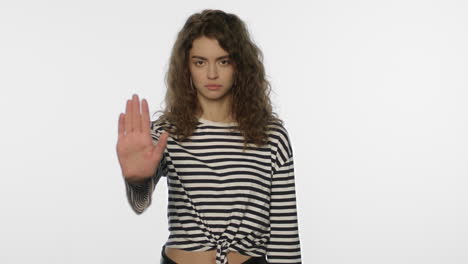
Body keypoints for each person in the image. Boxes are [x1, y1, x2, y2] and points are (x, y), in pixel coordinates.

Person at [116, 9, 302, 264]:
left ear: (240, 65)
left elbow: (285, 236)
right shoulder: (165, 132)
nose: (211, 74)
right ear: (187, 67)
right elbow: (139, 204)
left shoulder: (271, 136)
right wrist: (137, 179)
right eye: (200, 62)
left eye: (223, 61)